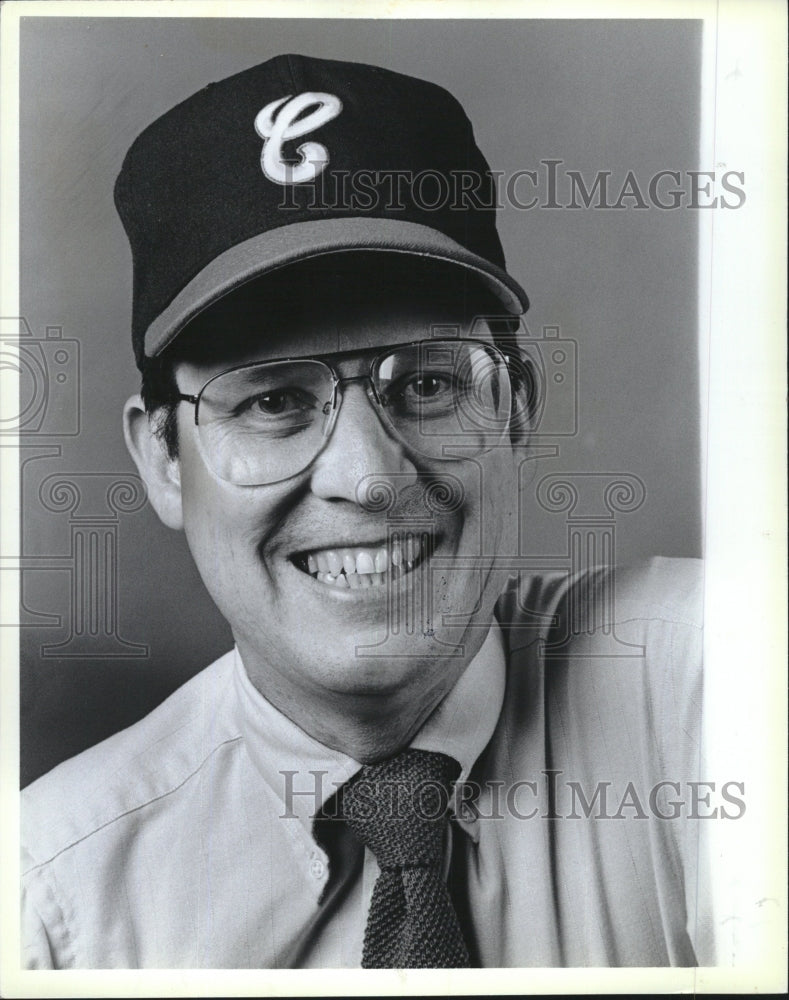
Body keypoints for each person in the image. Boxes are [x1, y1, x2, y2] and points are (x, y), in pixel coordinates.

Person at [21, 52, 708, 969]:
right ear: (163, 460)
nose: (367, 474)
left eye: (426, 382)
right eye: (271, 400)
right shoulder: (51, 903)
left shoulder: (714, 691)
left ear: (518, 405)